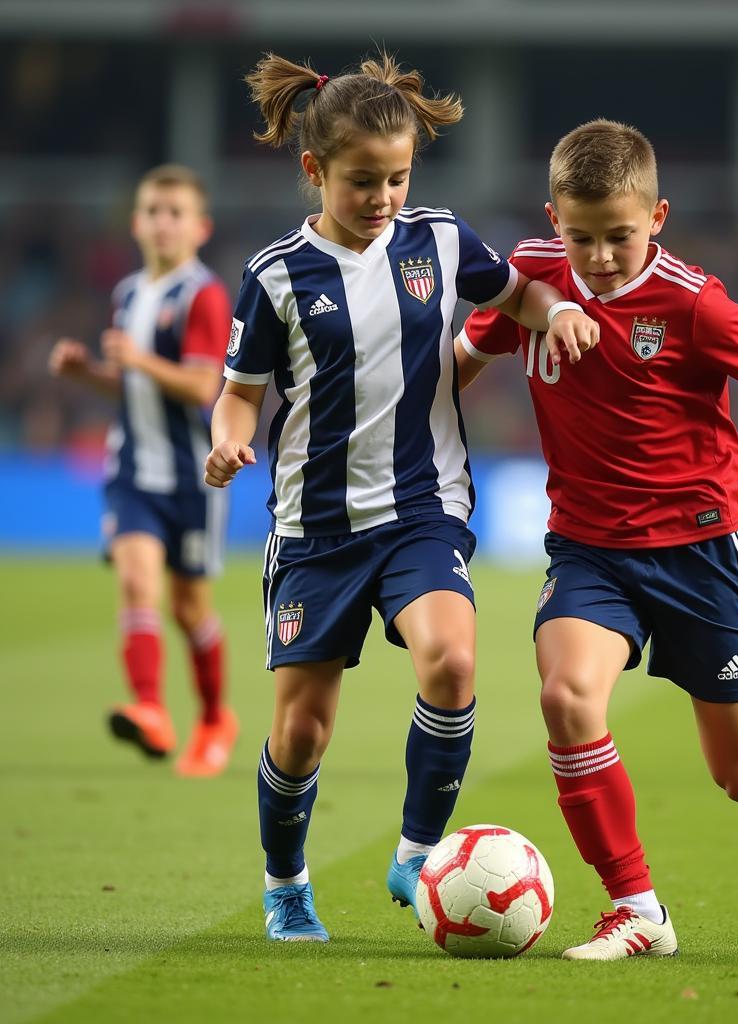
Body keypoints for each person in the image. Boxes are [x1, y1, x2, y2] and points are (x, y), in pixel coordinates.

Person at [456, 120, 738, 961]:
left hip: (703, 554)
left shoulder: (691, 302)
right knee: (567, 700)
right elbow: (458, 362)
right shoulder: (527, 278)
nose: (599, 255)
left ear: (659, 217)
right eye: (581, 235)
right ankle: (638, 909)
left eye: (620, 236)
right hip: (588, 550)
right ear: (552, 217)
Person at [204, 52, 599, 943]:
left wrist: (558, 313)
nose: (382, 196)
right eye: (361, 181)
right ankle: (286, 885)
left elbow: (518, 292)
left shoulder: (441, 240)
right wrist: (229, 435)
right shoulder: (275, 276)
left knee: (453, 665)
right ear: (315, 170)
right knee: (302, 733)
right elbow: (240, 389)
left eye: (397, 177)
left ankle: (419, 853)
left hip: (425, 507)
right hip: (315, 531)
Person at [48, 164, 238, 777]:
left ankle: (214, 718)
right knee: (136, 584)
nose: (163, 223)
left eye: (175, 212)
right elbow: (133, 389)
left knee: (188, 608)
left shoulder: (202, 294)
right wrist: (88, 374)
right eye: (153, 211)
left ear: (200, 227)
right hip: (132, 469)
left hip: (190, 476)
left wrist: (135, 360)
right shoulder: (128, 293)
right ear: (136, 222)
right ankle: (151, 708)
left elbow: (203, 385)